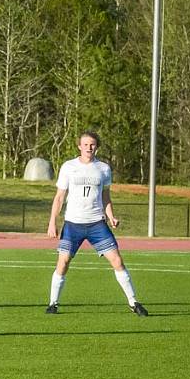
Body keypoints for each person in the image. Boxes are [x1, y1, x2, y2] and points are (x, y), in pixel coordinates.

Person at [46, 131, 147, 316]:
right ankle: (53, 303)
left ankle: (134, 303)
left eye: (92, 144)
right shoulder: (68, 167)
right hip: (73, 224)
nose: (88, 148)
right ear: (79, 146)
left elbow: (105, 196)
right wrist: (52, 222)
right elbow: (59, 197)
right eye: (85, 144)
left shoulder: (103, 168)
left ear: (96, 146)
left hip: (96, 224)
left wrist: (111, 216)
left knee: (117, 261)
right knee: (63, 263)